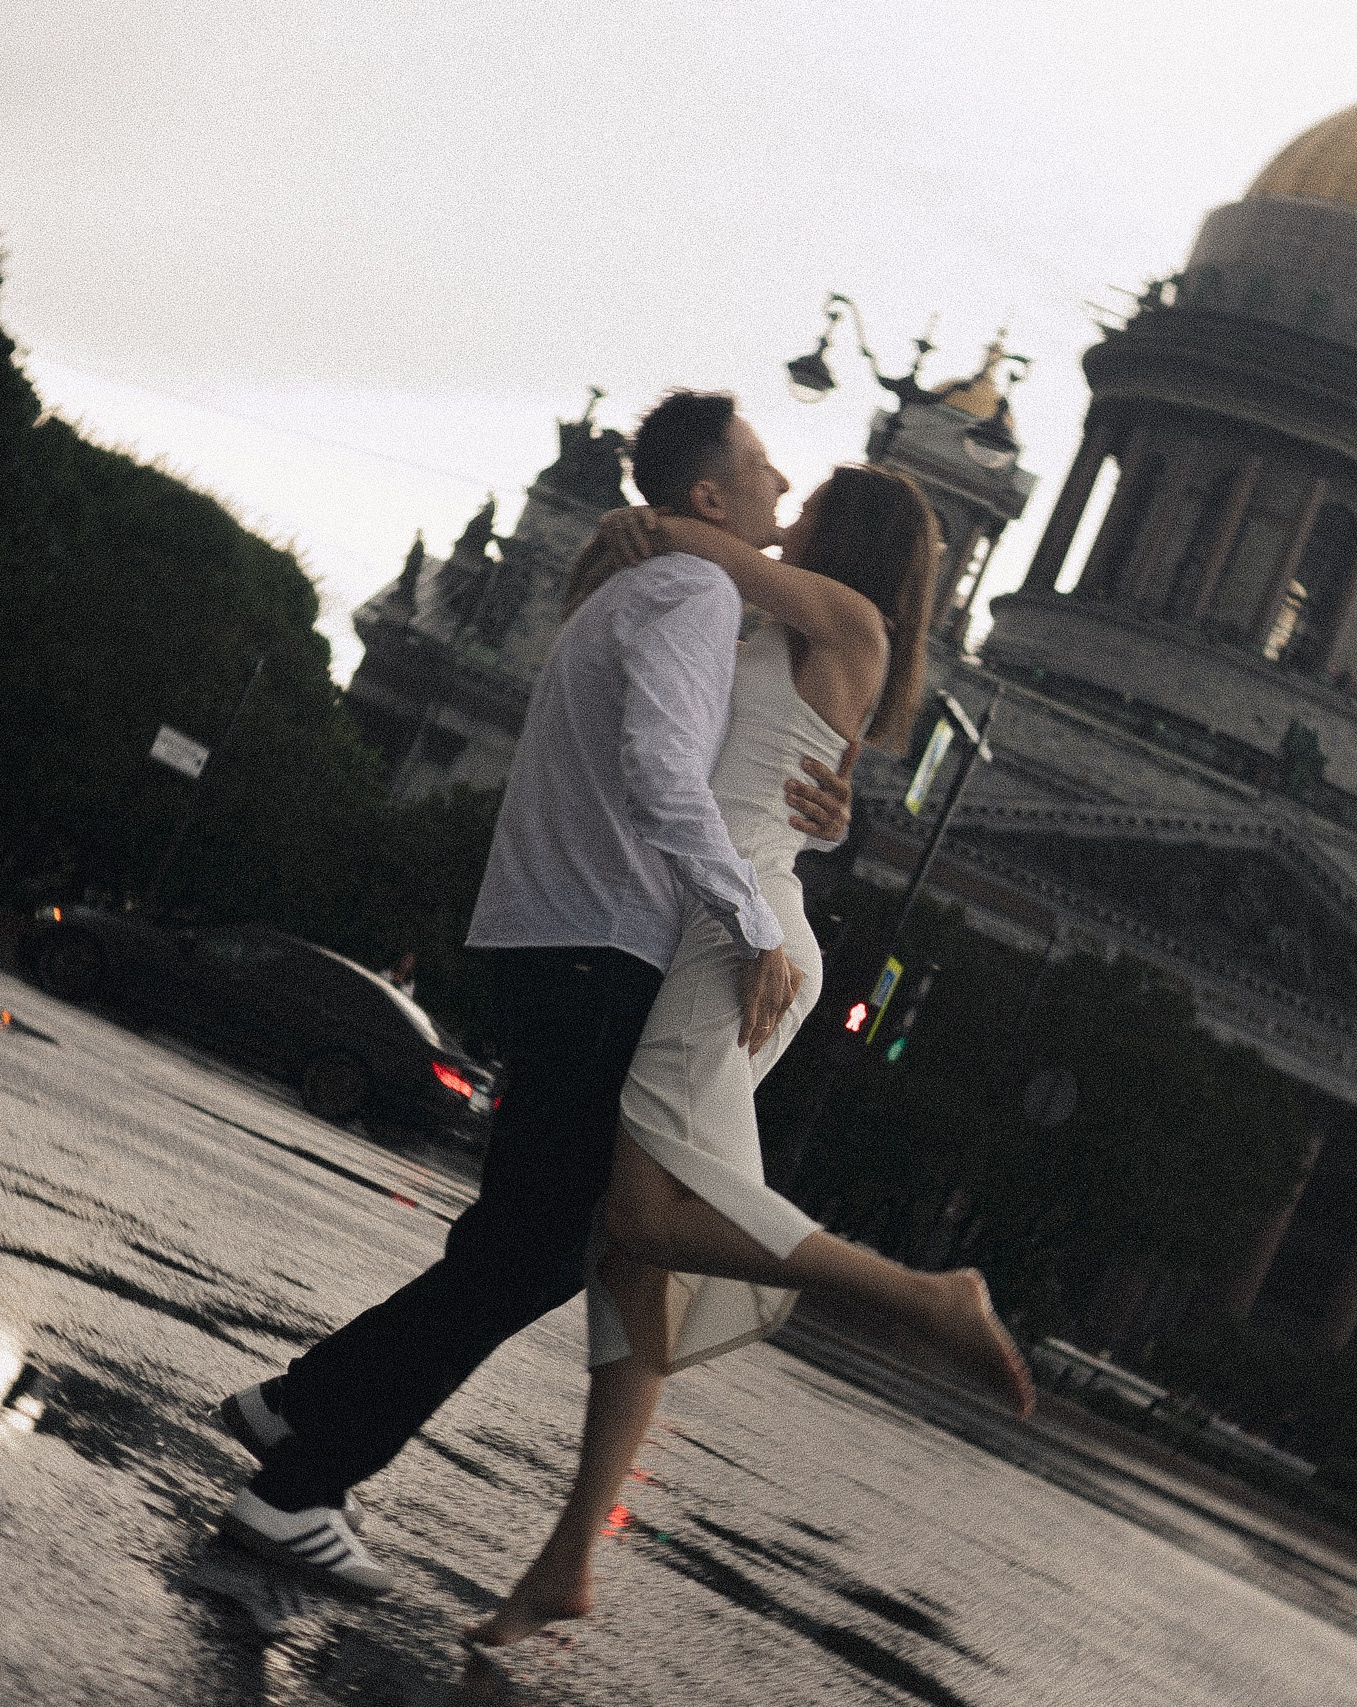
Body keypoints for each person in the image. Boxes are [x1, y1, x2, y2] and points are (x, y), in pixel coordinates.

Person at [208, 390, 855, 1595]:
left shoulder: (640, 586)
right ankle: (294, 1485)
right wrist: (757, 923)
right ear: (709, 496)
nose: (781, 485)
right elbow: (666, 776)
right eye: (764, 466)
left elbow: (702, 770)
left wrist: (816, 808)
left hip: (553, 939)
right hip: (596, 952)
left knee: (518, 1239)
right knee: (533, 1251)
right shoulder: (696, 592)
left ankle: (297, 1415)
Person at [465, 467, 1036, 1648]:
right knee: (636, 1258)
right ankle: (569, 1557)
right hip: (732, 925)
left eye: (810, 502)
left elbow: (698, 549)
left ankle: (923, 1295)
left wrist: (661, 520)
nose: (789, 514)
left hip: (736, 940)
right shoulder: (786, 627)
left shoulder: (848, 619)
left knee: (651, 1219)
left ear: (851, 536)